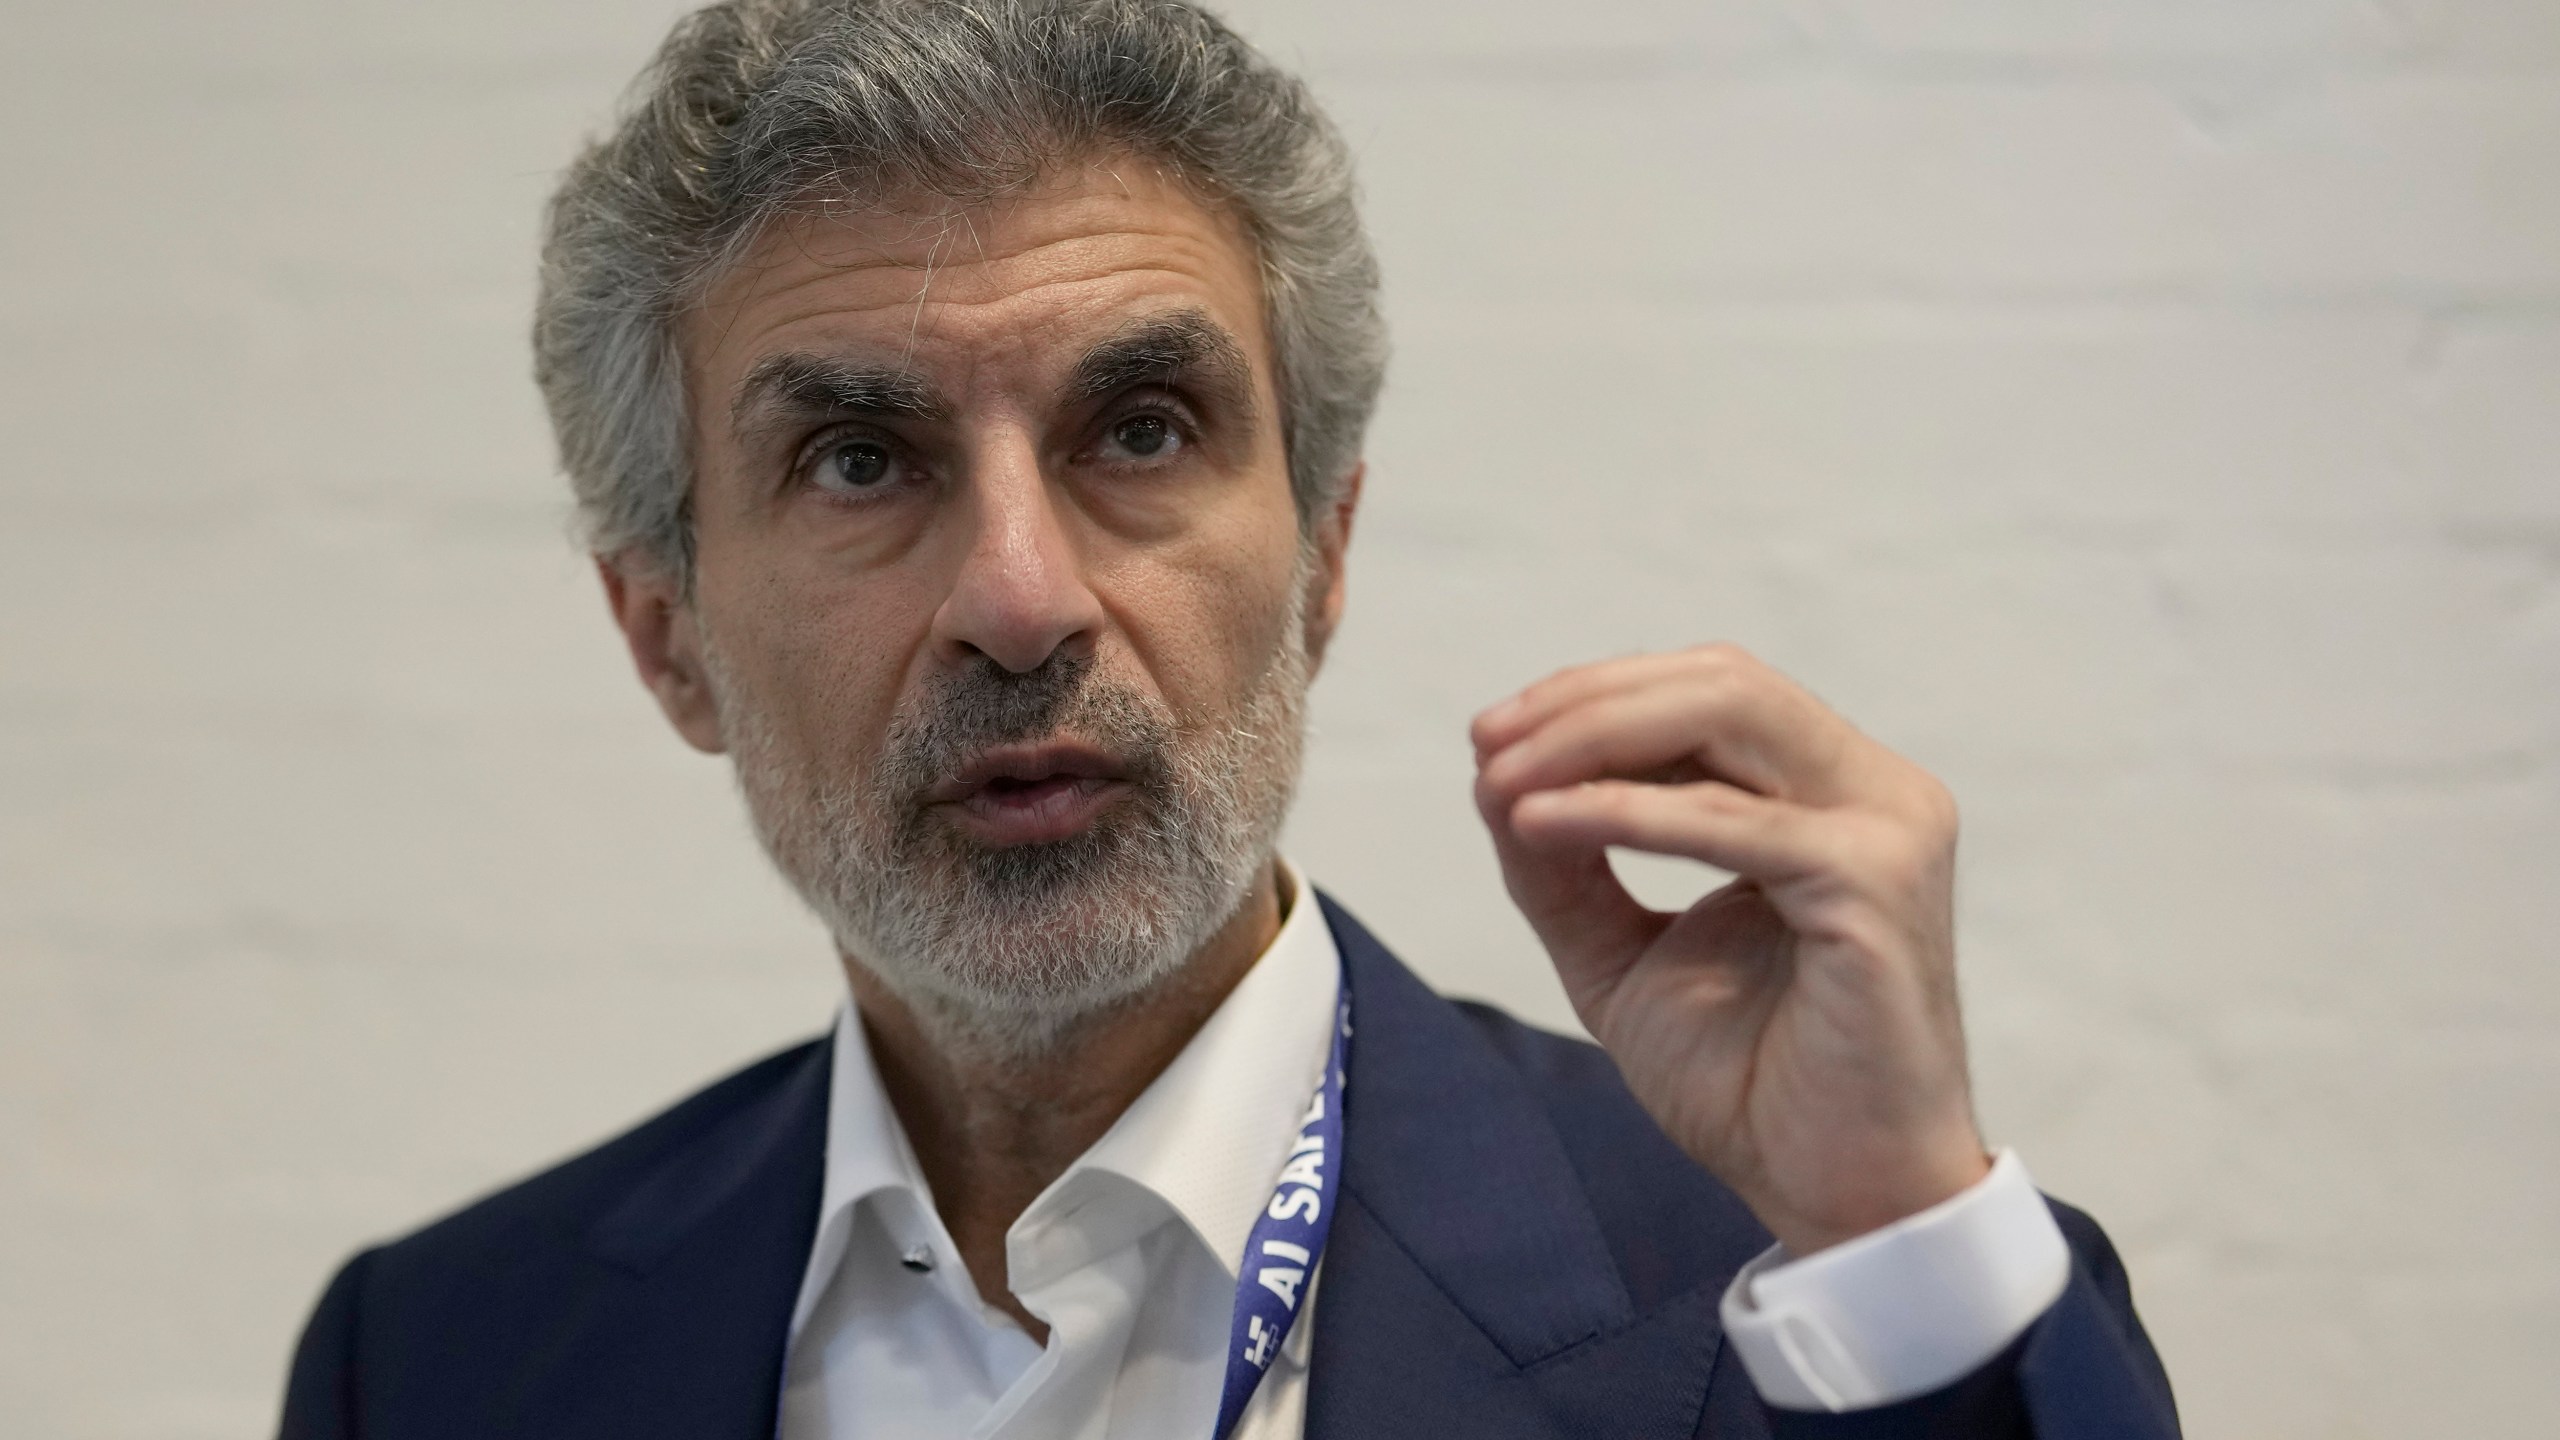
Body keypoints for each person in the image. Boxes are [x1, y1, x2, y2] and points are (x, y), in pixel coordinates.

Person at [277, 2, 2179, 1436]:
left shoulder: (1789, 1282)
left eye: (1140, 428)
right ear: (667, 634)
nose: (1022, 597)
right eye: (861, 457)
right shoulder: (439, 1357)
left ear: (1325, 553)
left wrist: (1896, 1241)